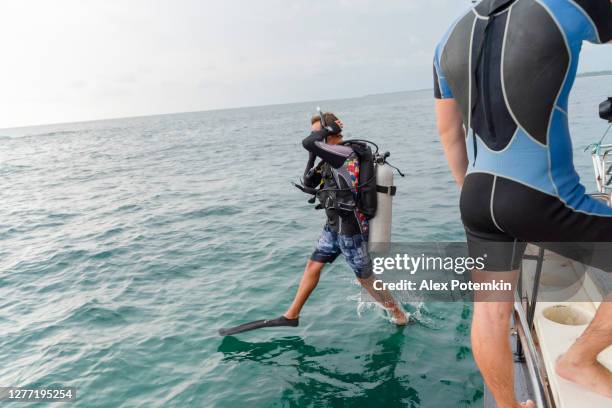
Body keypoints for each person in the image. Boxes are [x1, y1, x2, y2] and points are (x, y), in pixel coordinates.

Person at [433, 0, 612, 406]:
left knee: (491, 313)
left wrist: (475, 201)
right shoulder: (564, 6)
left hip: (477, 196)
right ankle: (579, 360)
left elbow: (449, 134)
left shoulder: (447, 38)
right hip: (543, 197)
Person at [283, 112, 407, 325]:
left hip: (351, 229)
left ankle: (400, 315)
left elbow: (308, 142)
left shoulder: (344, 153)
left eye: (319, 132)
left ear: (330, 131)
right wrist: (314, 154)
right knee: (313, 265)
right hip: (334, 225)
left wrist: (320, 136)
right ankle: (291, 315)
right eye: (315, 133)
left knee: (365, 279)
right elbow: (309, 183)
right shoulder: (330, 155)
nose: (316, 137)